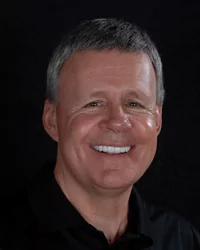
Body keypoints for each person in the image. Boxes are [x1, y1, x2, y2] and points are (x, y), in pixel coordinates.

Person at [1, 18, 200, 250]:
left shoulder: (183, 240)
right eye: (94, 103)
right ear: (52, 119)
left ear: (157, 120)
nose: (117, 122)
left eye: (134, 104)